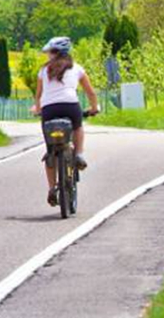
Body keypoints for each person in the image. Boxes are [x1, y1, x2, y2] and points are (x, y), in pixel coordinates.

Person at [31, 36, 99, 207]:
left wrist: (38, 109)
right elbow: (90, 93)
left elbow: (38, 95)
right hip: (71, 107)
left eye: (50, 52)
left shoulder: (43, 71)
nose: (48, 56)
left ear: (55, 53)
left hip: (49, 110)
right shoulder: (77, 69)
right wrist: (94, 107)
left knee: (50, 151)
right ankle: (79, 154)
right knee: (78, 127)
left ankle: (52, 189)